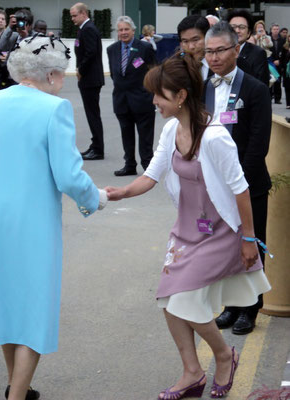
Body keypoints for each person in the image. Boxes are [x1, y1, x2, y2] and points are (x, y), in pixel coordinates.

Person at [105, 51, 270, 399]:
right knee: (169, 300)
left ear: (181, 96)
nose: (153, 102)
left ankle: (223, 355)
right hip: (186, 231)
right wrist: (121, 193)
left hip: (221, 232)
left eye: (159, 95)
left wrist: (249, 240)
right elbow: (151, 175)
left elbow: (241, 189)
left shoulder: (214, 136)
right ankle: (192, 372)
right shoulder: (171, 130)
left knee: (183, 300)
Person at [0, 35, 107, 400]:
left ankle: (16, 386)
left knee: (8, 304)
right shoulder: (52, 109)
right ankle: (16, 395)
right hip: (32, 224)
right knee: (36, 310)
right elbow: (70, 175)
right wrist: (96, 199)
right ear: (53, 74)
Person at [203, 21, 272, 335]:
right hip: (214, 186)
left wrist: (236, 182)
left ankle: (251, 308)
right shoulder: (204, 86)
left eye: (220, 50)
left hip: (248, 184)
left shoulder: (255, 89)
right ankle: (231, 306)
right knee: (226, 248)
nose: (214, 58)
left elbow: (259, 142)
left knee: (251, 246)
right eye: (209, 52)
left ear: (235, 49)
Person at [107, 15, 156, 176]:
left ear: (133, 30)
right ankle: (129, 164)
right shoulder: (112, 49)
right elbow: (115, 75)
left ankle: (149, 166)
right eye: (120, 30)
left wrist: (152, 94)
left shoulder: (145, 48)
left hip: (142, 99)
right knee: (126, 134)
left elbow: (154, 72)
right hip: (121, 100)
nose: (123, 32)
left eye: (126, 29)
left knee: (145, 137)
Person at [70, 2, 105, 160]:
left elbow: (91, 53)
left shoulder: (89, 28)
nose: (72, 18)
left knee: (93, 115)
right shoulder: (84, 28)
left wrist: (80, 71)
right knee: (91, 114)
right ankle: (95, 145)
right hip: (88, 78)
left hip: (90, 78)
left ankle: (98, 149)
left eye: (74, 15)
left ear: (83, 13)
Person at [227, 9, 269, 86]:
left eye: (242, 27)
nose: (237, 30)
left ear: (249, 32)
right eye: (233, 27)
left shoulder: (258, 53)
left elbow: (262, 85)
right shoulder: (220, 51)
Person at [177, 15, 212, 80]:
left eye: (195, 40)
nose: (191, 47)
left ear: (208, 37)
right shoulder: (176, 68)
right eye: (185, 41)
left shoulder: (221, 64)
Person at [269, 23, 285, 103]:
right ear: (271, 30)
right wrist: (272, 61)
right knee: (270, 80)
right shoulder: (268, 39)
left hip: (279, 63)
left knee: (278, 81)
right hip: (270, 63)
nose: (276, 31)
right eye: (274, 29)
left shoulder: (282, 40)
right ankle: (269, 96)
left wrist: (279, 61)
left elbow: (284, 52)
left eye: (277, 29)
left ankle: (277, 98)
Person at [281, 34, 290, 108]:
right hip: (286, 70)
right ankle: (288, 103)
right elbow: (282, 58)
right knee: (287, 87)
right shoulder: (285, 46)